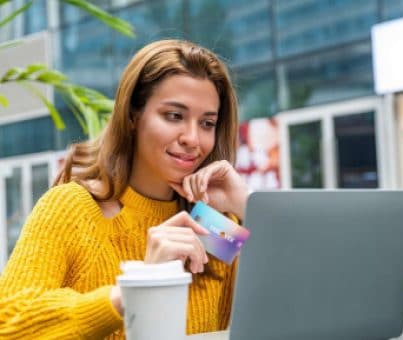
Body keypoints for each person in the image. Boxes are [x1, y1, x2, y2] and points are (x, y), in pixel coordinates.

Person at [0, 39, 250, 339]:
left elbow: (299, 304)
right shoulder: (72, 208)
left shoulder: (215, 225)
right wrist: (139, 286)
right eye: (174, 116)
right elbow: (8, 325)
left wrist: (245, 206)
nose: (193, 138)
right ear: (133, 115)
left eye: (207, 123)